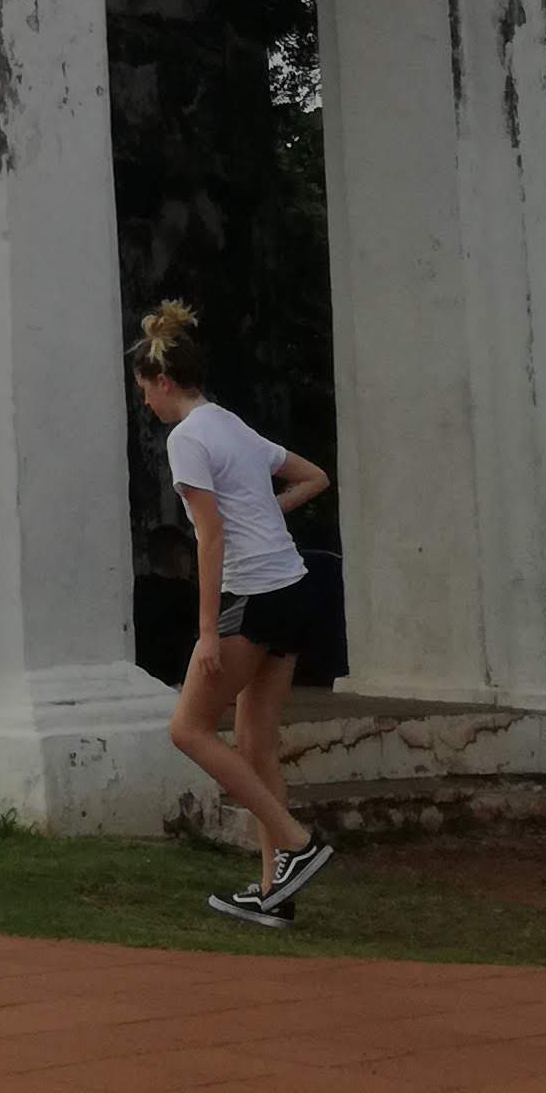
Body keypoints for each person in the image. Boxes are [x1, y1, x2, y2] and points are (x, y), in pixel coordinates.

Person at [130, 299, 336, 926]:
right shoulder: (228, 422)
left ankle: (296, 846)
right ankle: (276, 892)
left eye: (145, 390)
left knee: (187, 730)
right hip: (296, 588)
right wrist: (270, 514)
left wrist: (203, 635)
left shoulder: (187, 438)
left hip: (252, 598)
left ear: (164, 381)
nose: (145, 403)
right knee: (255, 745)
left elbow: (210, 539)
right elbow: (314, 477)